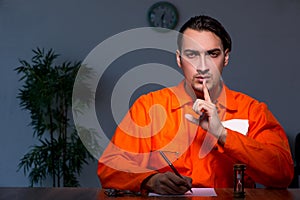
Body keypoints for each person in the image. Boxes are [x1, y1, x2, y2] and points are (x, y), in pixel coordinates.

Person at [97, 15, 294, 195]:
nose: (202, 66)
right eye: (191, 55)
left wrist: (224, 135)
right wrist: (150, 180)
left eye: (212, 54)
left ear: (226, 57)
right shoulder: (148, 107)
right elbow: (110, 168)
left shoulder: (253, 110)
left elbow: (283, 174)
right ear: (178, 59)